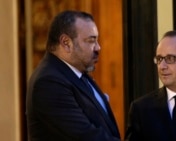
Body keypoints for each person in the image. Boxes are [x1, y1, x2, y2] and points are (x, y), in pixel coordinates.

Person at [26, 10, 121, 141]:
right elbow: (85, 136)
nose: (98, 48)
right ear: (66, 43)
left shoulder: (78, 72)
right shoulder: (49, 83)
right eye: (91, 41)